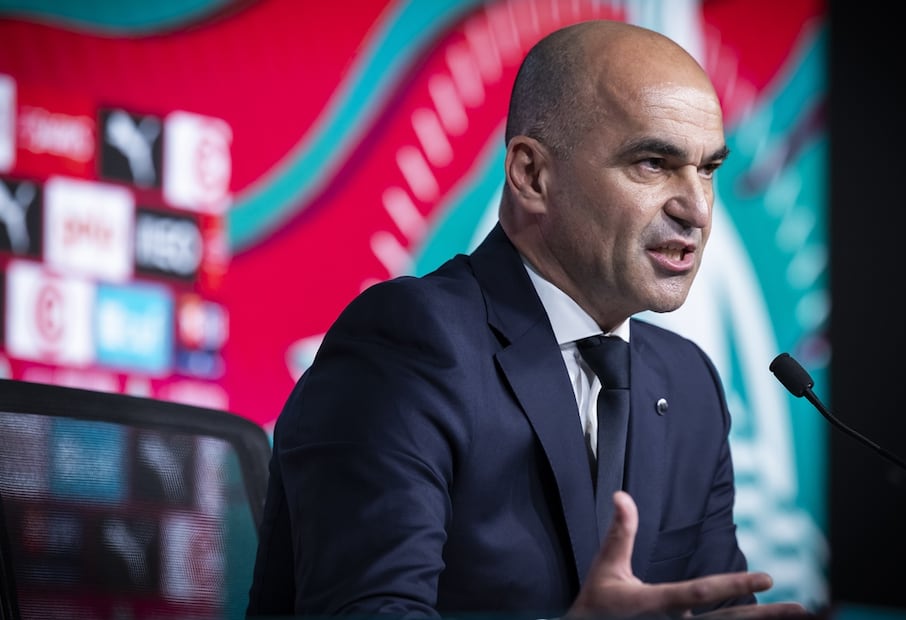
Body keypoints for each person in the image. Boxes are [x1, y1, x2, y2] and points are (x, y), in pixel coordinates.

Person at [247, 19, 810, 619]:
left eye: (708, 169)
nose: (696, 208)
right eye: (653, 163)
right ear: (531, 175)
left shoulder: (689, 383)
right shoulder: (409, 342)